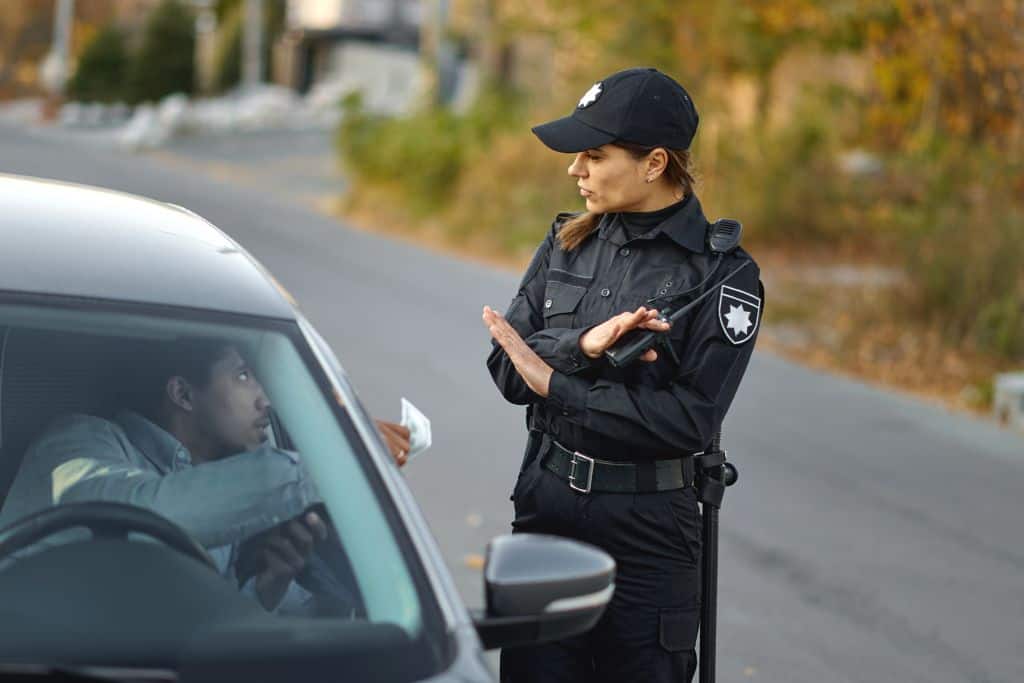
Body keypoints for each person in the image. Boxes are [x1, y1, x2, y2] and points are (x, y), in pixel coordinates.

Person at [483, 67, 763, 682]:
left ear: (654, 162)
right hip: (547, 512)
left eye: (593, 154)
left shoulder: (721, 278)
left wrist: (558, 383)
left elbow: (689, 421)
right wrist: (581, 344)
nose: (573, 170)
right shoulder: (565, 241)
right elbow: (508, 369)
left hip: (650, 538)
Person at [0, 338, 411, 613]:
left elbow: (183, 624)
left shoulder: (221, 485)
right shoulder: (76, 441)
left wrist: (265, 589)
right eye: (244, 376)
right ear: (182, 394)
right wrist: (333, 460)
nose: (266, 400)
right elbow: (147, 516)